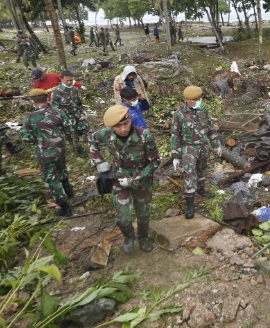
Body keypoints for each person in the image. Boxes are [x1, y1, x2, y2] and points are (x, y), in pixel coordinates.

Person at [89, 105, 161, 253]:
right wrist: (99, 162)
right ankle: (129, 236)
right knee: (122, 218)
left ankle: (142, 238)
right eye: (118, 126)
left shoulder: (144, 135)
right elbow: (92, 140)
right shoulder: (107, 134)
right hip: (119, 179)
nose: (123, 129)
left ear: (130, 119)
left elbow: (155, 161)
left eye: (126, 123)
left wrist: (134, 180)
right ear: (111, 127)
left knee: (143, 213)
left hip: (142, 180)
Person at [20, 89, 74, 217]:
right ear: (47, 98)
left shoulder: (29, 118)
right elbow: (69, 129)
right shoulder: (59, 112)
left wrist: (21, 131)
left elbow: (27, 138)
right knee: (61, 168)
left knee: (52, 178)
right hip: (60, 148)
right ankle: (68, 190)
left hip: (44, 153)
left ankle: (64, 207)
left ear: (32, 101)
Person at [170, 86, 222, 219]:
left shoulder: (203, 110)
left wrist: (216, 144)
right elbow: (175, 134)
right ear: (188, 100)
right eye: (196, 99)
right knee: (189, 172)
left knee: (201, 168)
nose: (198, 101)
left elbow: (210, 127)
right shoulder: (179, 114)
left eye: (199, 99)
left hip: (203, 146)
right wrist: (175, 155)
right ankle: (190, 203)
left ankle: (201, 189)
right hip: (189, 147)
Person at [51, 70, 89, 158]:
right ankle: (79, 149)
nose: (69, 82)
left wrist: (82, 111)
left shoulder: (73, 89)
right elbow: (54, 106)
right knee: (72, 134)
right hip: (66, 117)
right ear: (62, 80)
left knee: (85, 127)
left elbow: (78, 101)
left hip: (77, 114)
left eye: (71, 80)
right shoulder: (56, 91)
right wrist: (63, 117)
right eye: (67, 80)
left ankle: (87, 140)